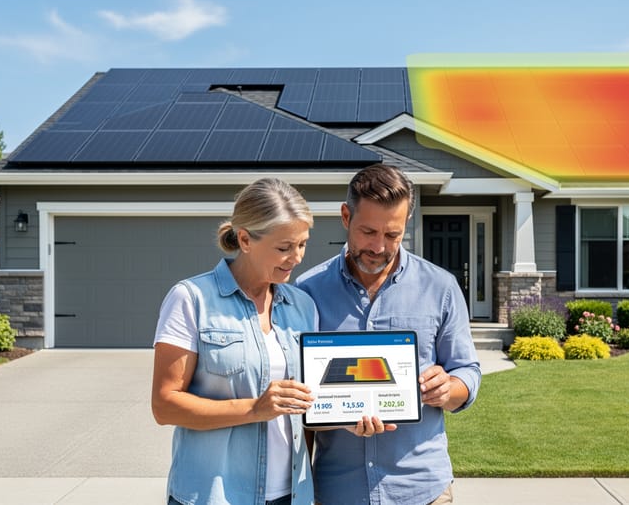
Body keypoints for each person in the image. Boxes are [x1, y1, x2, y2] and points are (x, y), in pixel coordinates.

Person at [296, 164, 481, 505]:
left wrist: (448, 389)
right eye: (368, 231)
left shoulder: (440, 287)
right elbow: (297, 398)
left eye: (393, 234)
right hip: (338, 491)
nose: (379, 246)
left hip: (422, 489)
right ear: (345, 216)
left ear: (406, 222)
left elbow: (467, 372)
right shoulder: (307, 291)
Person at [152, 178, 317, 505]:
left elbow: (308, 406)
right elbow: (164, 405)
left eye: (302, 244)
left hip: (292, 495)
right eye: (284, 247)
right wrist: (254, 409)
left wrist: (349, 419)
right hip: (214, 495)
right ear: (244, 239)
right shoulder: (191, 299)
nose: (296, 257)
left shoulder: (303, 306)